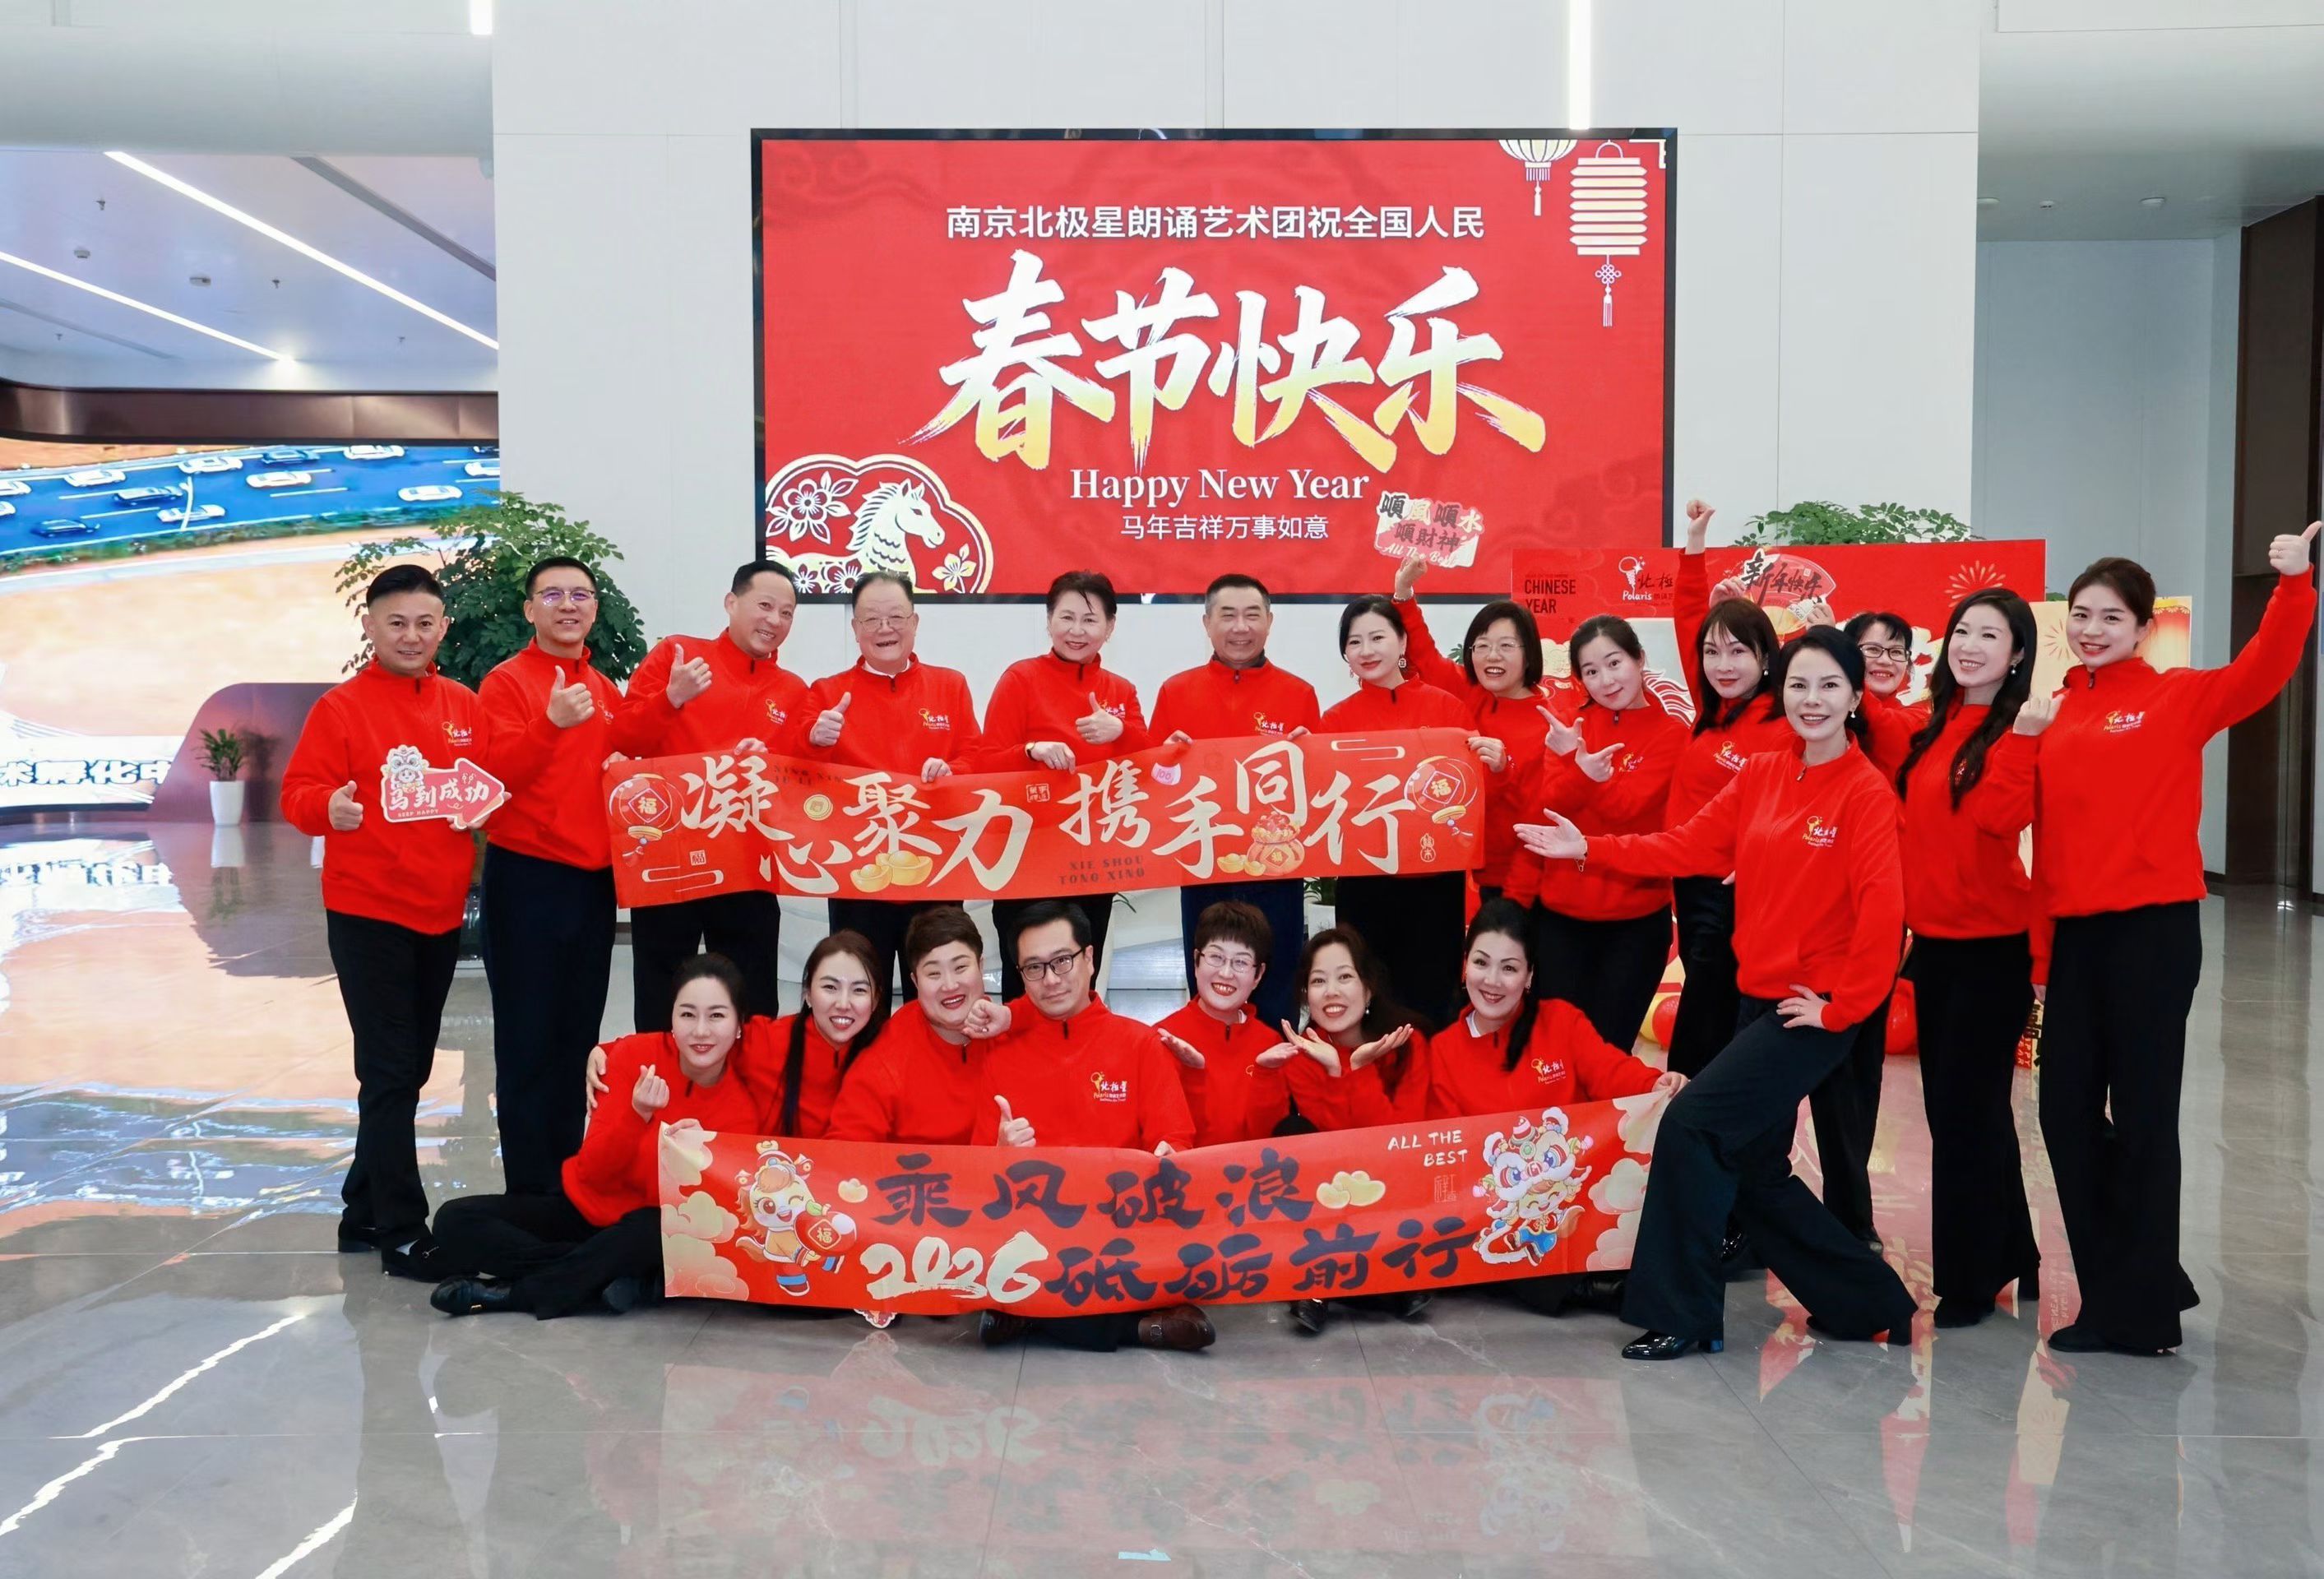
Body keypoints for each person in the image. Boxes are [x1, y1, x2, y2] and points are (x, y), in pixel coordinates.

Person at [1518, 626, 1916, 1360]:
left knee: (1693, 1125)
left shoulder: (1865, 793)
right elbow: (1689, 844)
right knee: (1755, 1167)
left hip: (1812, 1010)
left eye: (1830, 686)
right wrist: (1589, 848)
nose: (1813, 700)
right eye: (1799, 685)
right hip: (1757, 995)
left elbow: (1883, 915)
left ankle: (1683, 1314)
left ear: (1857, 697)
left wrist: (1842, 1009)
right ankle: (1870, 1302)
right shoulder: (1764, 773)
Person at [2025, 524, 2319, 1355]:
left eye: (2112, 617)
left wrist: (2294, 586)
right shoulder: (2055, 711)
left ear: (2145, 627)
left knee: (2145, 1118)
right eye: (2083, 615)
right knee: (2063, 1113)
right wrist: (2042, 957)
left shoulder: (2176, 697)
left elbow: (2265, 667)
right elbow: (2048, 843)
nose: (2092, 630)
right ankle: (2145, 1275)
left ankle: (2135, 1313)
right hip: (2076, 939)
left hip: (2152, 936)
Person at [283, 563, 510, 1280]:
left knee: (407, 1069)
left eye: (424, 623)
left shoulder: (462, 705)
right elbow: (298, 793)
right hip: (367, 912)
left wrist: (483, 808)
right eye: (396, 623)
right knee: (387, 1071)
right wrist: (329, 808)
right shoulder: (341, 709)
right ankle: (403, 1232)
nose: (411, 636)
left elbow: (490, 785)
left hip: (438, 912)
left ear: (443, 627)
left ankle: (360, 1211)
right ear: (371, 626)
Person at [428, 956, 765, 1317]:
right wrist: (637, 1115)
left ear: (739, 1026)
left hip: (643, 1233)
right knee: (454, 1221)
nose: (700, 1031)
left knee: (655, 1229)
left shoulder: (742, 1112)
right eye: (687, 1014)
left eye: (716, 1016)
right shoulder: (635, 1056)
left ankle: (517, 1293)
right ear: (671, 1018)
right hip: (585, 1211)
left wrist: (694, 1160)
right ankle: (608, 1277)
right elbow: (594, 1174)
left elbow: (700, 1216)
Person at [1895, 589, 2044, 1328]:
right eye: (1962, 631)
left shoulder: (2020, 729)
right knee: (1969, 1113)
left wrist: (2024, 741)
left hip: (1992, 950)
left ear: (2017, 654)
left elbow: (1998, 815)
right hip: (1936, 948)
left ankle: (1967, 1283)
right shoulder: (1934, 725)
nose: (1970, 645)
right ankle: (2017, 1252)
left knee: (1963, 1117)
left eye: (1990, 635)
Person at [972, 901, 1212, 1352]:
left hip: (1120, 1227)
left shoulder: (1140, 1043)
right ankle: (1135, 1329)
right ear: (1020, 975)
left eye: (1062, 961)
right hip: (1039, 1232)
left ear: (1090, 958)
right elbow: (977, 1174)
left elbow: (1176, 1140)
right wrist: (1001, 1153)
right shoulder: (1000, 1054)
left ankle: (1027, 1316)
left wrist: (1167, 1158)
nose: (1051, 979)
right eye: (1034, 968)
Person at [1427, 899, 1684, 1315]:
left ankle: (1594, 1280)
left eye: (1509, 968)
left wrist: (1658, 1083)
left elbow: (1612, 1071)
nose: (1492, 981)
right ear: (1464, 965)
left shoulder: (1561, 1021)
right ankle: (1594, 1286)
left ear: (1529, 976)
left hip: (1573, 1194)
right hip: (1497, 1207)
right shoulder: (1441, 1050)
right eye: (1481, 963)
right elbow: (1451, 1146)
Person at [475, 555, 625, 1195]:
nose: (568, 605)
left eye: (580, 595)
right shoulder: (506, 683)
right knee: (528, 1045)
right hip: (528, 881)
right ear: (530, 609)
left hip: (593, 885)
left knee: (575, 1043)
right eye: (553, 594)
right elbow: (492, 775)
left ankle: (564, 1191)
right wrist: (550, 724)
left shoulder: (606, 687)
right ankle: (528, 1198)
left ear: (595, 608)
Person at [610, 561, 812, 1028]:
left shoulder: (793, 691)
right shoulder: (679, 655)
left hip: (747, 864)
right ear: (731, 603)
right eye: (765, 605)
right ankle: (659, 1072)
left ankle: (752, 1073)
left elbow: (799, 785)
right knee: (662, 992)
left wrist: (773, 762)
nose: (775, 620)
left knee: (752, 995)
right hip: (667, 857)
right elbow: (624, 737)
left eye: (787, 613)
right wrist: (672, 698)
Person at [1499, 614, 1685, 1048]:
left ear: (1640, 659)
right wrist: (1576, 766)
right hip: (1562, 918)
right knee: (1551, 1048)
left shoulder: (1672, 733)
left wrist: (1586, 774)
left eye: (1615, 663)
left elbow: (1627, 809)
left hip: (1635, 922)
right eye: (1591, 671)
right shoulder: (1571, 727)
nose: (1606, 680)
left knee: (1608, 1050)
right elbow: (1550, 806)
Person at [1150, 573, 1322, 1027]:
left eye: (1252, 615)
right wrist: (1163, 760)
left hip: (1278, 868)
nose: (1240, 627)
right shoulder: (1175, 692)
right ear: (1207, 623)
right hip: (1204, 866)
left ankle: (1277, 1071)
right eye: (1227, 615)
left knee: (1277, 985)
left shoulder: (1299, 694)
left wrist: (1312, 758)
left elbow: (1317, 792)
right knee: (1211, 985)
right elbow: (1153, 785)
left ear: (1270, 621)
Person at [800, 572, 984, 989]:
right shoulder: (827, 693)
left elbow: (976, 755)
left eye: (896, 617)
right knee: (862, 994)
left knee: (940, 992)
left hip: (936, 869)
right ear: (855, 628)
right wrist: (815, 740)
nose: (885, 628)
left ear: (915, 622)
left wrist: (953, 771)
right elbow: (800, 775)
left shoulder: (950, 685)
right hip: (858, 873)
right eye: (871, 619)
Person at [1665, 499, 1795, 1082]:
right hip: (1690, 882)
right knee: (1709, 998)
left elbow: (1801, 801)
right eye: (1713, 652)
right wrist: (1694, 544)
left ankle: (1692, 1104)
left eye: (1739, 651)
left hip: (1740, 890)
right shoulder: (1711, 707)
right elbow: (1689, 615)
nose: (1723, 664)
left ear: (1767, 658)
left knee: (1710, 1013)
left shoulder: (1786, 722)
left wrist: (1763, 857)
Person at [976, 570, 1150, 998]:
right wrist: (1030, 750)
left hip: (1092, 862)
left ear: (1110, 627)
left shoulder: (1121, 691)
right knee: (1027, 984)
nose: (1077, 631)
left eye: (1090, 620)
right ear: (1049, 620)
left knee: (1079, 981)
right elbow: (983, 764)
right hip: (1027, 860)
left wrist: (1121, 733)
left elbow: (1152, 769)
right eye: (1066, 617)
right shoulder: (1020, 679)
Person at [1316, 595, 1473, 1022]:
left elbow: (1469, 791)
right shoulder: (1334, 722)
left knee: (1433, 995)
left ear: (1402, 642)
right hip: (1364, 881)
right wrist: (1300, 756)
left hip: (1435, 881)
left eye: (1377, 638)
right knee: (1366, 995)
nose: (1366, 650)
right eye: (1354, 642)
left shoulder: (1447, 709)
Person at [583, 928, 889, 1141]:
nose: (843, 1003)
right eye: (830, 987)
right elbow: (699, 1038)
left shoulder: (889, 1052)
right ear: (808, 992)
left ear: (876, 1000)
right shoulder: (767, 1040)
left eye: (859, 990)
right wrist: (609, 1050)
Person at [1389, 555, 1575, 905]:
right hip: (1476, 869)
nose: (1492, 656)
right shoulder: (1468, 693)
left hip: (1532, 882)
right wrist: (1403, 592)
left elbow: (1543, 816)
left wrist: (1505, 769)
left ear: (1529, 654)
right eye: (1483, 646)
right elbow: (1424, 655)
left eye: (1506, 646)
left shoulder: (1550, 724)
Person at [1277, 927, 1433, 1334]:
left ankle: (1384, 1274)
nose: (1331, 991)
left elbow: (1399, 1145)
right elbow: (1333, 1157)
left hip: (1392, 1193)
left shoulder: (1408, 1044)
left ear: (1368, 987)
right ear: (1305, 995)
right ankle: (1322, 1281)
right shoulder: (1301, 1057)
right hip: (1329, 1203)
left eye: (1344, 977)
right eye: (1318, 981)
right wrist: (1335, 1070)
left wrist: (1358, 1071)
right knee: (1292, 1132)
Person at [826, 905, 1008, 1146]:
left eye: (960, 968)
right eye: (934, 974)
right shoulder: (885, 1059)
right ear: (915, 981)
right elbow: (843, 1151)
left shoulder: (1010, 1028)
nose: (950, 985)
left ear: (981, 966)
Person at [1155, 900, 1299, 1147]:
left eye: (1241, 962)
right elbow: (1163, 1136)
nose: (1226, 973)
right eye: (1216, 957)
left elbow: (1274, 1144)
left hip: (1256, 1171)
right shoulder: (1161, 1038)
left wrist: (1266, 1075)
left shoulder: (1271, 1043)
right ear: (1196, 961)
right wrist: (1192, 1073)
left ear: (1258, 975)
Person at [1845, 609, 1928, 782]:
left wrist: (1838, 661)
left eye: (1896, 652)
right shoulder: (1822, 714)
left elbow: (1878, 721)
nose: (1885, 660)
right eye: (1873, 649)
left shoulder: (1917, 720)